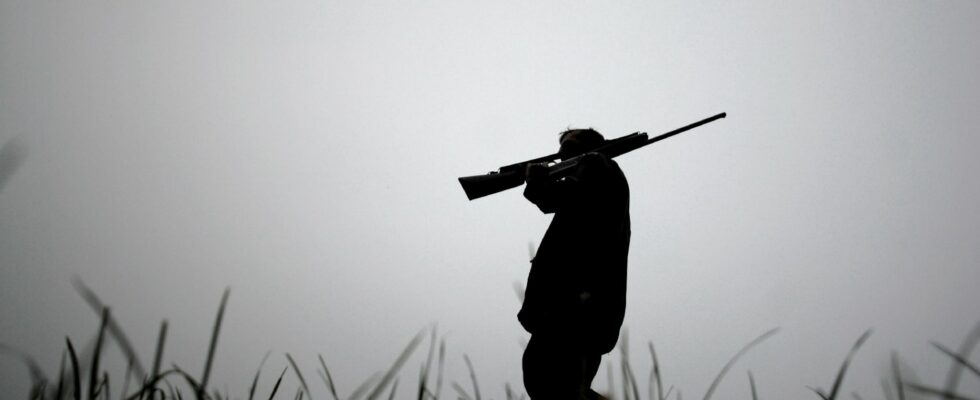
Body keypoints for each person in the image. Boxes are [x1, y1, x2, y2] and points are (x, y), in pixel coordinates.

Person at [519, 128, 631, 399]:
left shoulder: (595, 163)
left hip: (573, 301)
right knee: (558, 384)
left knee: (546, 380)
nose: (559, 155)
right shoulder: (603, 172)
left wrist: (535, 180)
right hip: (584, 303)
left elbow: (552, 198)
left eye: (568, 146)